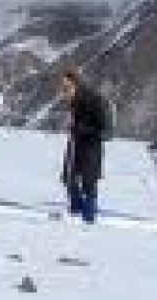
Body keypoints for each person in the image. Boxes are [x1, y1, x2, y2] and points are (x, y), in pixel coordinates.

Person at [60, 69, 109, 224]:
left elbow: (103, 127)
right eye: (63, 88)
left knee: (89, 180)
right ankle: (76, 210)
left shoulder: (91, 100)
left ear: (75, 84)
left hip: (91, 146)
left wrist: (80, 129)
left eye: (66, 88)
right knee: (68, 177)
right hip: (77, 143)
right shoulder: (76, 101)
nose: (64, 91)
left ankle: (88, 216)